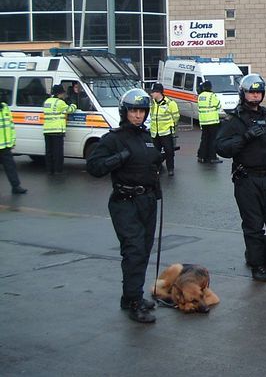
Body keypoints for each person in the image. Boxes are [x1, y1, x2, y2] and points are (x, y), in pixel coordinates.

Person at [87, 89, 163, 323]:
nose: (138, 115)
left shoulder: (146, 136)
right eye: (133, 111)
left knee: (144, 249)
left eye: (141, 111)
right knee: (134, 251)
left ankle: (130, 296)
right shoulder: (114, 138)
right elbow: (94, 167)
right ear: (125, 112)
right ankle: (133, 301)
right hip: (125, 202)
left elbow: (148, 167)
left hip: (147, 201)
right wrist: (119, 157)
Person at [215, 74, 266, 282]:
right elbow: (221, 148)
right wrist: (245, 138)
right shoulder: (234, 119)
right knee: (253, 226)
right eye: (251, 92)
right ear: (243, 93)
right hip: (247, 179)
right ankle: (258, 266)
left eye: (258, 92)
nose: (255, 95)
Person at [43, 85, 77, 175]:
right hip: (57, 130)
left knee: (49, 151)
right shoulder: (60, 102)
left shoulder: (47, 101)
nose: (63, 95)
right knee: (58, 152)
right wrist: (73, 103)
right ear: (59, 93)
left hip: (47, 130)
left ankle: (49, 170)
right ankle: (58, 170)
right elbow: (70, 110)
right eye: (63, 93)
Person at [148, 83, 180, 176]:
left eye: (153, 92)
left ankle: (170, 169)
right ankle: (157, 168)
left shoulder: (170, 103)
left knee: (169, 151)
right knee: (155, 153)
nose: (151, 94)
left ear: (159, 92)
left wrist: (171, 126)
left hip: (166, 132)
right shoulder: (153, 104)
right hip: (155, 132)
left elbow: (176, 117)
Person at [0, 98, 26, 194]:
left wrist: (12, 141)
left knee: (11, 166)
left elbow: (10, 125)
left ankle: (16, 186)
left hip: (5, 146)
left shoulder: (5, 107)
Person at [197, 80, 222, 164]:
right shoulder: (212, 95)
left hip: (203, 121)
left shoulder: (200, 96)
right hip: (212, 121)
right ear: (210, 87)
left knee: (204, 139)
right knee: (212, 140)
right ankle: (212, 157)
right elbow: (218, 105)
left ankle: (201, 156)